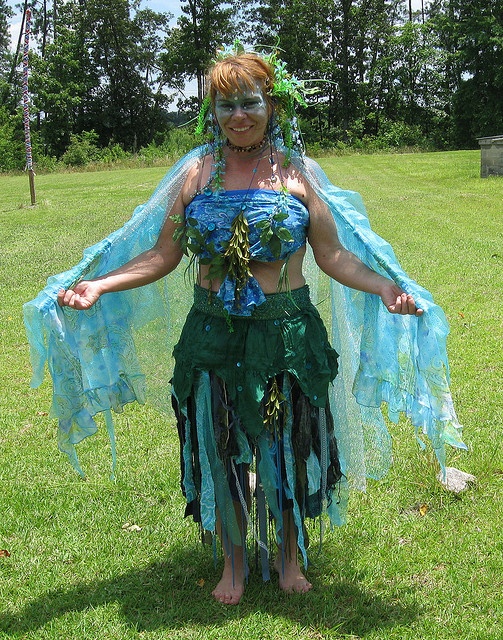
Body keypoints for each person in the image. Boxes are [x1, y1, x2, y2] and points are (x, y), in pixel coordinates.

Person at [24, 44, 465, 606]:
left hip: (287, 337)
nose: (239, 115)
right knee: (220, 447)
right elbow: (163, 254)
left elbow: (333, 256)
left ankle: (287, 556)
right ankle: (232, 562)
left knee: (286, 446)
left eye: (250, 102)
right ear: (213, 110)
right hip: (211, 338)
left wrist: (384, 288)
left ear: (272, 105)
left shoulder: (297, 173)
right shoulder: (196, 172)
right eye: (226, 104)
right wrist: (100, 285)